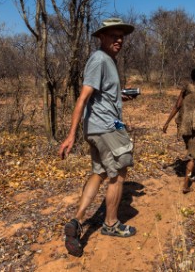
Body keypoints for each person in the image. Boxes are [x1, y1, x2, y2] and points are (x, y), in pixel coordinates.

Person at [58, 18, 136, 257]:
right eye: (113, 35)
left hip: (103, 125)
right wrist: (71, 135)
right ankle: (111, 224)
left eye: (121, 36)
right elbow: (82, 98)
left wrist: (118, 97)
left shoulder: (108, 61)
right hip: (106, 128)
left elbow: (100, 96)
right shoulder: (99, 59)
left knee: (100, 172)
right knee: (119, 173)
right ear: (101, 37)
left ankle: (77, 221)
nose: (119, 40)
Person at [163, 68, 195, 194]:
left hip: (183, 127)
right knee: (193, 155)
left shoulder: (185, 89)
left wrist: (167, 122)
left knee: (193, 151)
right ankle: (185, 185)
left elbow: (177, 106)